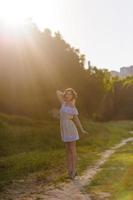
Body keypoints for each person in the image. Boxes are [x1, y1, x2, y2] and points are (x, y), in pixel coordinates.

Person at [56, 88, 88, 179]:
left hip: (70, 128)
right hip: (64, 128)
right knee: (67, 150)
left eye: (70, 94)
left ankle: (74, 170)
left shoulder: (73, 107)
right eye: (67, 94)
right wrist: (66, 95)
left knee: (73, 150)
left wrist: (82, 129)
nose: (67, 95)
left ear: (73, 96)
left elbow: (76, 119)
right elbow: (57, 92)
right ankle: (69, 170)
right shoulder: (63, 103)